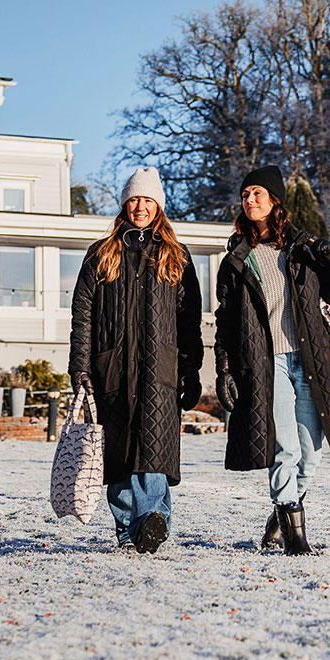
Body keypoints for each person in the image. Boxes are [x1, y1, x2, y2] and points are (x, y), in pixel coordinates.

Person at [214, 165, 330, 555]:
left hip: (308, 360)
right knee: (285, 448)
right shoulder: (236, 260)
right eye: (245, 194)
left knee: (312, 453)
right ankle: (294, 534)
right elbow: (225, 321)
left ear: (275, 201)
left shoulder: (302, 251)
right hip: (265, 362)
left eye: (257, 193)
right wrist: (225, 369)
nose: (249, 200)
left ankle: (281, 512)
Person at [69, 167, 203, 553]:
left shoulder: (175, 256)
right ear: (125, 203)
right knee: (119, 454)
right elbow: (83, 314)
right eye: (134, 199)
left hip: (160, 369)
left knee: (154, 448)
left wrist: (190, 370)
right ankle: (131, 529)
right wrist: (80, 366)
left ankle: (152, 520)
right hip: (111, 368)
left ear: (158, 206)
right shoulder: (101, 253)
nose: (140, 206)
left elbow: (188, 320)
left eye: (148, 200)